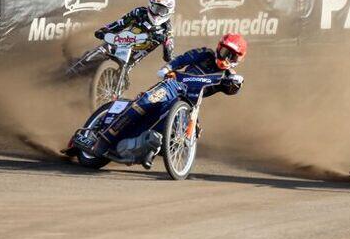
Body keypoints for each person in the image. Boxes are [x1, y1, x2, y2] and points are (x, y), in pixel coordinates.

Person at [75, 34, 246, 168]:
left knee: (193, 132)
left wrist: (235, 83)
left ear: (238, 60)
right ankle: (104, 140)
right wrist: (168, 68)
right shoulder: (206, 54)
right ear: (219, 48)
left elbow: (232, 89)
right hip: (173, 86)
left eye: (232, 57)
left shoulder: (228, 76)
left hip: (190, 103)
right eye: (225, 52)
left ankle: (148, 149)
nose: (227, 58)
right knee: (147, 101)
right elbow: (183, 59)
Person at [93, 0, 178, 65]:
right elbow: (119, 24)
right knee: (101, 50)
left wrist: (165, 42)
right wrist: (104, 30)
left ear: (169, 12)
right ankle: (85, 61)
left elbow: (168, 57)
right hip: (119, 43)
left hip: (131, 60)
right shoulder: (139, 12)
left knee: (122, 75)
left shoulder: (167, 30)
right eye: (156, 8)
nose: (158, 13)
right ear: (150, 5)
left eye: (162, 11)